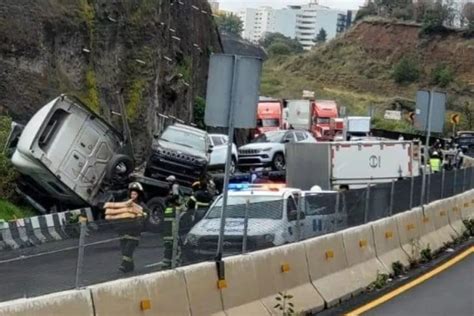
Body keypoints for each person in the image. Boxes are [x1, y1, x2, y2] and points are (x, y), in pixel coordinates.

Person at [105, 182, 148, 273]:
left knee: (128, 250)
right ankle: (130, 266)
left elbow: (145, 215)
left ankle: (124, 265)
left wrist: (140, 220)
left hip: (134, 232)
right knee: (124, 250)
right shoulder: (125, 203)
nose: (133, 195)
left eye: (135, 194)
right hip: (123, 231)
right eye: (132, 193)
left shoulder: (141, 206)